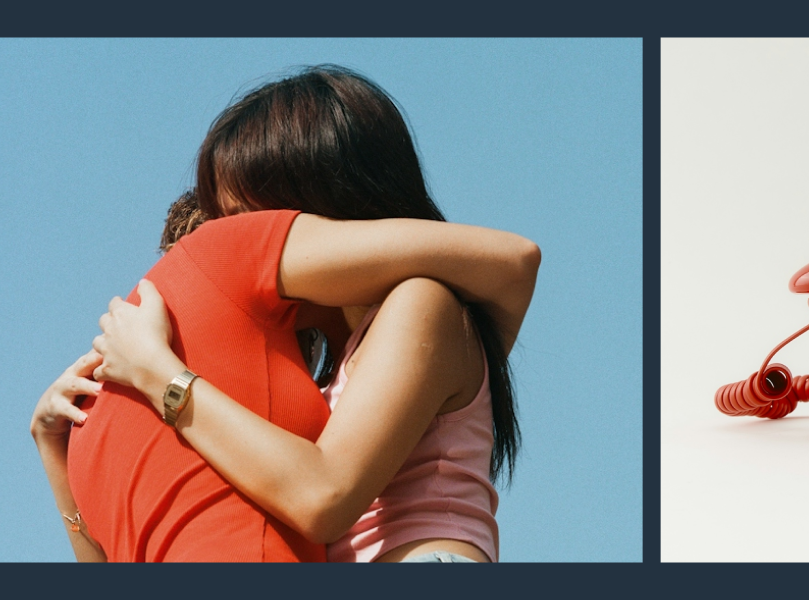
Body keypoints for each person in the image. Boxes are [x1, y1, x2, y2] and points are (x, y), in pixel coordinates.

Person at [31, 65, 539, 562]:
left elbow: (323, 497)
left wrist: (161, 375)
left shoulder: (425, 304)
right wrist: (56, 452)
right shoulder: (312, 388)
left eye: (247, 222)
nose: (234, 243)